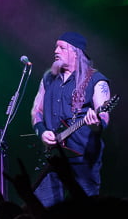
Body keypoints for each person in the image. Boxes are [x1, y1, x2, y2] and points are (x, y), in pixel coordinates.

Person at [30, 31, 112, 206]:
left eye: (62, 47)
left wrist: (96, 124)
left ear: (76, 52)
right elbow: (36, 111)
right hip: (52, 158)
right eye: (56, 47)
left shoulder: (96, 80)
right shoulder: (48, 78)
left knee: (84, 212)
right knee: (45, 212)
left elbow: (104, 115)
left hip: (83, 161)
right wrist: (42, 132)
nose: (56, 51)